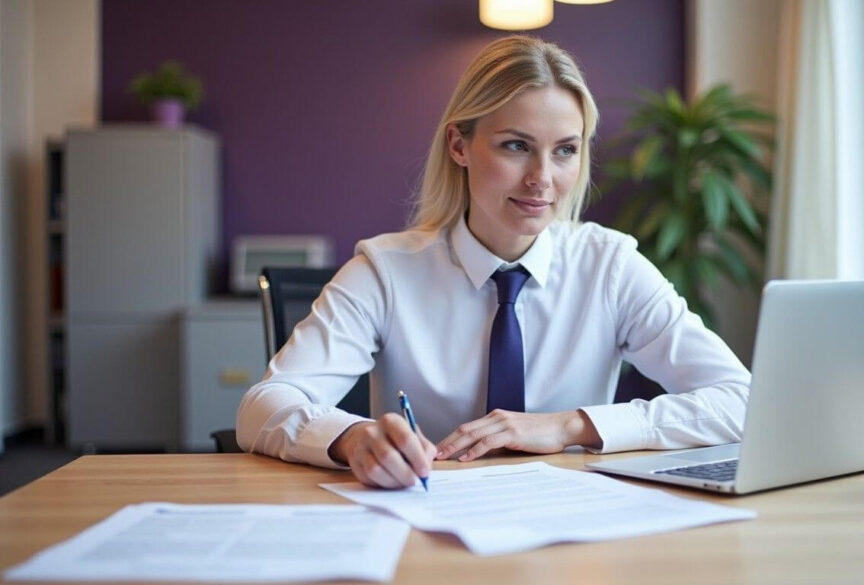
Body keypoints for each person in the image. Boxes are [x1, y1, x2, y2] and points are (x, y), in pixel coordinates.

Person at [236, 35, 751, 489]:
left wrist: (571, 425)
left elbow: (743, 401)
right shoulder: (385, 272)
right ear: (460, 144)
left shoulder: (610, 267)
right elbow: (263, 406)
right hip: (428, 522)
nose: (541, 179)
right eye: (515, 146)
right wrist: (354, 437)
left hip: (572, 529)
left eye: (565, 151)